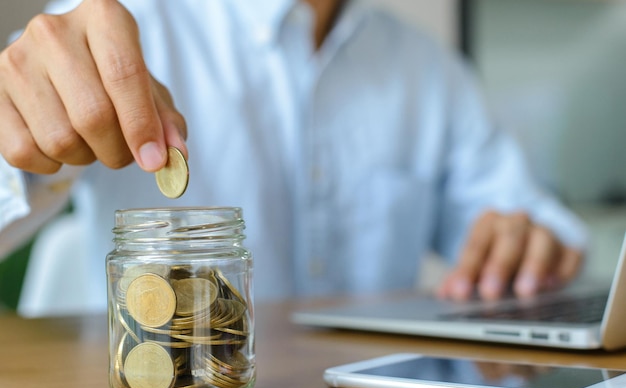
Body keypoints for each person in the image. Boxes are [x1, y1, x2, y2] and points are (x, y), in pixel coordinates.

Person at [0, 0, 586, 311]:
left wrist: (534, 243)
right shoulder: (123, 29)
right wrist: (19, 121)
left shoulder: (430, 71)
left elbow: (535, 224)